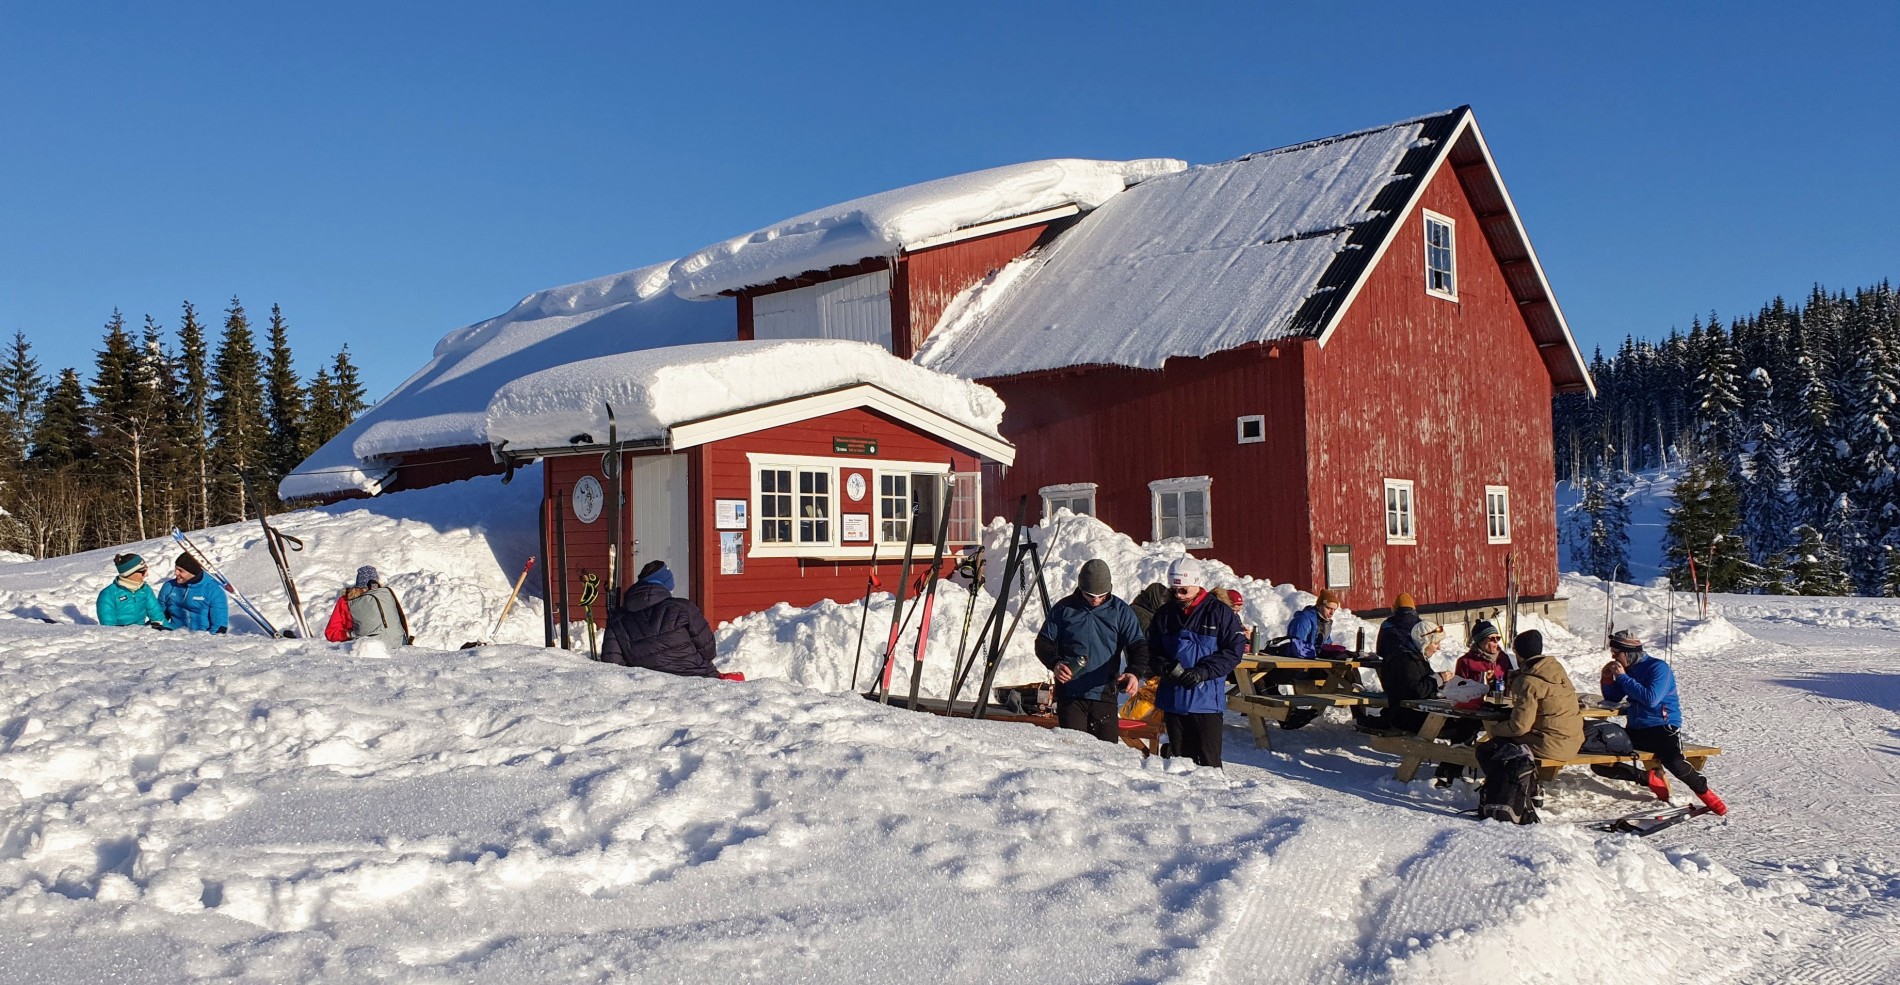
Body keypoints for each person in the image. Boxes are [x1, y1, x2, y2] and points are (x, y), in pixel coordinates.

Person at [1593, 630, 1728, 815]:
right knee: (1598, 757)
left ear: (1628, 653)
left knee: (1674, 762)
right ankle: (1648, 778)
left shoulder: (1658, 667)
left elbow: (1651, 699)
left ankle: (1707, 795)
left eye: (1616, 654)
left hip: (1662, 726)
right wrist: (1607, 678)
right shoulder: (1630, 670)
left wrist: (1623, 677)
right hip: (1636, 728)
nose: (1614, 658)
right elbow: (1613, 697)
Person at [1035, 558, 1151, 741]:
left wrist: (1134, 672)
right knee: (1074, 752)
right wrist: (1055, 663)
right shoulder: (1064, 609)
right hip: (1071, 694)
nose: (1096, 600)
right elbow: (1043, 643)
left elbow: (1138, 646)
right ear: (1081, 588)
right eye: (1090, 595)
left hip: (1104, 692)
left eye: (1102, 595)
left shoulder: (1120, 611)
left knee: (1105, 754)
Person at [1473, 630, 1582, 822]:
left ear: (1518, 654)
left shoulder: (1528, 682)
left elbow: (1519, 727)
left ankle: (1511, 791)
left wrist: (1494, 730)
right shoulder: (1555, 671)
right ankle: (1532, 787)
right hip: (1572, 741)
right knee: (1509, 744)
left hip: (1550, 745)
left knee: (1489, 749)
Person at [1149, 557, 1248, 768]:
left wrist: (1203, 672)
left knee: (1209, 764)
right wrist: (1162, 665)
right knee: (1180, 764)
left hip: (1206, 702)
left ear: (1196, 584)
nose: (1178, 595)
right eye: (1174, 590)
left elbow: (1233, 651)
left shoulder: (1219, 612)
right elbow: (1152, 651)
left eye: (1183, 591)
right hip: (1173, 701)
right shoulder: (1165, 614)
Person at [600, 560, 718, 678]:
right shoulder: (684, 608)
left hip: (648, 684)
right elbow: (709, 651)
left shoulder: (617, 620)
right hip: (698, 678)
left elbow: (612, 663)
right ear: (667, 586)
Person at [324, 565, 412, 646]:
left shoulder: (383, 599)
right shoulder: (346, 602)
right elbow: (331, 633)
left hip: (377, 647)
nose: (368, 591)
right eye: (366, 588)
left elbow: (331, 634)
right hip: (394, 645)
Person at [157, 552, 229, 633]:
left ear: (192, 572)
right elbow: (158, 617)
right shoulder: (169, 587)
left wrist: (207, 642)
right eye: (176, 569)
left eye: (180, 570)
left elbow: (219, 626)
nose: (175, 573)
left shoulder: (213, 590)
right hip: (173, 636)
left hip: (201, 638)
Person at [96, 553, 169, 629]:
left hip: (143, 634)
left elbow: (158, 616)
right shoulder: (108, 594)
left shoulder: (145, 589)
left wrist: (169, 632)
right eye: (143, 572)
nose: (146, 575)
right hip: (119, 636)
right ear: (130, 573)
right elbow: (108, 627)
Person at [1283, 589, 1341, 659]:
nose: (1332, 613)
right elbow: (1297, 646)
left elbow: (1326, 643)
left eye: (1334, 609)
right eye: (1328, 608)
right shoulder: (1303, 620)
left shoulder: (1326, 623)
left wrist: (1331, 648)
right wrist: (1317, 652)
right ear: (1319, 606)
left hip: (1313, 661)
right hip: (1297, 663)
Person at [1210, 587, 1256, 652]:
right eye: (1233, 610)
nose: (1235, 613)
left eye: (1238, 611)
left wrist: (1247, 639)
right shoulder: (1217, 617)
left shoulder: (1236, 617)